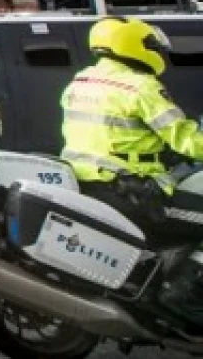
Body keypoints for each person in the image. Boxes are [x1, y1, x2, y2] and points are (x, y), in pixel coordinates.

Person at [62, 17, 203, 242]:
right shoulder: (140, 86)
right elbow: (184, 138)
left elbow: (107, 136)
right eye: (151, 45)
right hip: (132, 192)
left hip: (84, 184)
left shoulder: (81, 82)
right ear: (131, 44)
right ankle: (184, 278)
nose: (156, 52)